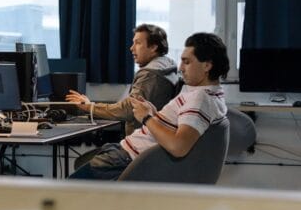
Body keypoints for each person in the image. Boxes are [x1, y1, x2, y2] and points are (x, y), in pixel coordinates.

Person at [69, 32, 229, 180]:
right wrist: (154, 115)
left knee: (63, 192)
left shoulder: (200, 99)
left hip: (126, 159)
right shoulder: (212, 94)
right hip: (129, 154)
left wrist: (147, 118)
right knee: (83, 165)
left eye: (187, 62)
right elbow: (178, 127)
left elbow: (178, 146)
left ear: (207, 66)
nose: (181, 67)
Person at [65, 24, 179, 135]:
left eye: (138, 43)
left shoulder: (151, 75)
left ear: (153, 47)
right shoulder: (168, 65)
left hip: (141, 143)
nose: (131, 48)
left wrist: (89, 107)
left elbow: (128, 110)